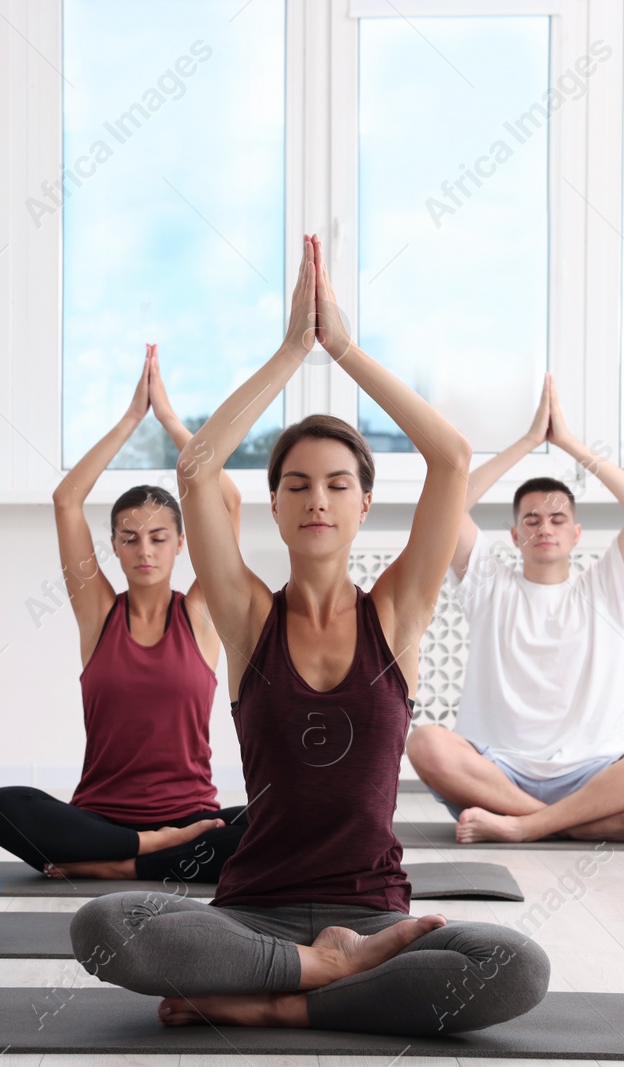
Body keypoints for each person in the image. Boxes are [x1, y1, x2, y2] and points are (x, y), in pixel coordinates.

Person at [69, 236, 549, 1036]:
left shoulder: (394, 615)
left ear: (364, 504)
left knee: (513, 966)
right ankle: (316, 980)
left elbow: (451, 458)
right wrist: (293, 349)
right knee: (103, 925)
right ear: (276, 506)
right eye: (296, 484)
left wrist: (347, 350)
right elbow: (197, 468)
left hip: (375, 920)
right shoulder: (250, 618)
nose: (317, 498)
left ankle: (274, 1003)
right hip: (252, 915)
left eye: (337, 484)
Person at [0, 345, 245, 883]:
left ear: (180, 545)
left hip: (191, 816)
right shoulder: (97, 612)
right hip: (101, 817)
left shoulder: (201, 612)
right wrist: (131, 419)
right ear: (115, 548)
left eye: (157, 538)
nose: (144, 550)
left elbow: (231, 502)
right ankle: (149, 853)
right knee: (1, 805)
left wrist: (170, 419)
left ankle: (116, 866)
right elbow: (66, 500)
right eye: (130, 539)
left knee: (280, 815)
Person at [405, 375, 624, 844]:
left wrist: (569, 443)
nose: (546, 527)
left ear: (576, 535)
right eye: (532, 519)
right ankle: (577, 824)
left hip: (594, 775)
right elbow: (449, 501)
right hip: (497, 776)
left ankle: (524, 827)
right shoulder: (489, 585)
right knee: (424, 743)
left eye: (558, 519)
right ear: (515, 536)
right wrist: (528, 442)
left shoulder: (606, 589)